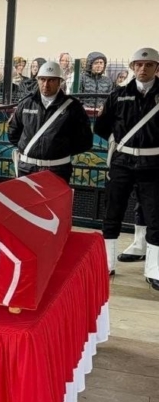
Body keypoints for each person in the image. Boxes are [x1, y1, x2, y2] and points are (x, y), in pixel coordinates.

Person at [94, 47, 159, 282]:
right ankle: (107, 263)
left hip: (153, 164)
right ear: (132, 67)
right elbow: (101, 127)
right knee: (113, 212)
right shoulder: (118, 95)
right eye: (139, 65)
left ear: (157, 68)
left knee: (155, 216)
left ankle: (154, 270)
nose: (143, 69)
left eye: (149, 65)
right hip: (122, 162)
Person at [8, 61, 92, 182]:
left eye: (51, 80)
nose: (46, 84)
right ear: (37, 80)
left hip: (58, 169)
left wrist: (59, 151)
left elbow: (84, 140)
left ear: (60, 82)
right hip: (27, 169)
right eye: (42, 79)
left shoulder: (73, 107)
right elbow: (13, 133)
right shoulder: (26, 103)